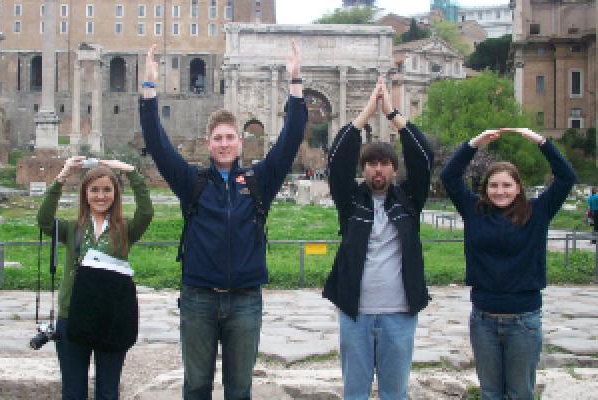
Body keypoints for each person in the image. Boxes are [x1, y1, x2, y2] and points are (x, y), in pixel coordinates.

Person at [139, 41, 307, 399]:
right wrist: (149, 88)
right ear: (208, 143)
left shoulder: (261, 181)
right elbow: (157, 145)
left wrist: (295, 83)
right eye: (218, 138)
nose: (225, 143)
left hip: (245, 299)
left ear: (241, 142)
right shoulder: (192, 183)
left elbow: (291, 140)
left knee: (239, 389)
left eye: (231, 137)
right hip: (199, 297)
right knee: (196, 386)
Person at [440, 128, 576, 400]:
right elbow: (449, 176)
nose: (500, 191)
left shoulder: (538, 212)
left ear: (518, 188)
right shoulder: (474, 210)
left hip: (524, 320)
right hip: (483, 320)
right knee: (490, 393)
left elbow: (566, 177)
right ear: (485, 189)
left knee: (520, 393)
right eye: (494, 185)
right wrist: (474, 142)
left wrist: (541, 142)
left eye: (506, 185)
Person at [322, 78, 434, 400]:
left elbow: (423, 157)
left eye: (385, 164)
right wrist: (365, 114)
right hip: (355, 311)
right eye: (371, 164)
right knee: (354, 393)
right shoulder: (351, 201)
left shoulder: (410, 200)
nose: (378, 170)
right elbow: (336, 162)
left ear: (394, 170)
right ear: (364, 170)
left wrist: (391, 114)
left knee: (394, 393)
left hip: (400, 312)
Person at [37, 156, 154, 400]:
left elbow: (146, 212)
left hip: (111, 319)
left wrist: (131, 171)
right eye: (95, 190)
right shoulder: (73, 229)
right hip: (72, 316)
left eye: (107, 190)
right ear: (85, 194)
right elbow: (44, 220)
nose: (101, 196)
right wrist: (61, 177)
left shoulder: (124, 230)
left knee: (108, 392)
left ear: (115, 194)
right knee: (73, 391)